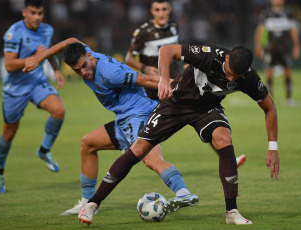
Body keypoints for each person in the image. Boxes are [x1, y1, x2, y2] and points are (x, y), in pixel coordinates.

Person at [76, 44, 280, 226]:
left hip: (205, 109)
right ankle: (93, 204)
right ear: (227, 59)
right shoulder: (210, 56)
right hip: (175, 102)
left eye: (236, 77)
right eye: (229, 73)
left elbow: (269, 107)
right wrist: (164, 80)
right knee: (138, 150)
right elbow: (167, 50)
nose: (230, 79)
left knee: (224, 138)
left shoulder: (249, 77)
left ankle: (232, 212)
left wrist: (272, 147)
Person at [23, 38, 199, 215]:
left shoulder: (109, 73)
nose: (83, 72)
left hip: (138, 116)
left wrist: (180, 87)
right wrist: (39, 58)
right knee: (88, 144)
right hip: (124, 118)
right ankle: (86, 202)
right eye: (77, 70)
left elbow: (147, 80)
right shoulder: (82, 52)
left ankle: (183, 193)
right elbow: (69, 41)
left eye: (84, 65)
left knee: (150, 159)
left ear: (90, 56)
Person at [126, 0, 246, 167]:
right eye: (157, 9)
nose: (161, 13)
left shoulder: (173, 27)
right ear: (152, 11)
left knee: (200, 113)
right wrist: (144, 67)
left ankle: (225, 157)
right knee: (147, 127)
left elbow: (178, 51)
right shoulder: (143, 32)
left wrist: (189, 66)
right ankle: (136, 154)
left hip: (177, 82)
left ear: (169, 10)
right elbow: (128, 58)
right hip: (155, 84)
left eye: (164, 9)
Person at [0, 0, 65, 194]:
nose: (37, 17)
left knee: (59, 110)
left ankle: (44, 150)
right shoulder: (14, 32)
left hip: (37, 83)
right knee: (9, 133)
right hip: (16, 89)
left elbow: (48, 51)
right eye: (33, 13)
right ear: (24, 13)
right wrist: (35, 55)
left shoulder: (46, 30)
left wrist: (56, 70)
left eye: (40, 13)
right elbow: (9, 65)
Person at [254, 0, 300, 105]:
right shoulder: (266, 13)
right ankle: (270, 98)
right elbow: (260, 30)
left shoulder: (288, 13)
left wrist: (296, 45)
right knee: (269, 73)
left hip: (284, 47)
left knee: (287, 72)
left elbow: (293, 30)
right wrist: (258, 46)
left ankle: (289, 98)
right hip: (270, 48)